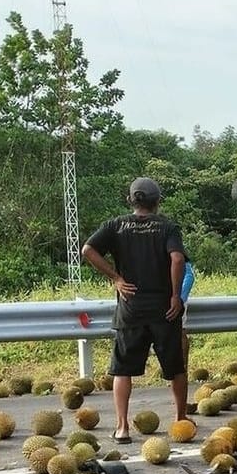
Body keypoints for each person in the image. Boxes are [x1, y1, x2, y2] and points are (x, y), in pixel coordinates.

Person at [81, 177, 188, 443]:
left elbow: (88, 250)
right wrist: (175, 295)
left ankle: (122, 427)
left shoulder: (116, 225)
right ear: (157, 201)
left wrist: (116, 278)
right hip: (164, 308)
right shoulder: (167, 226)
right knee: (175, 367)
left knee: (123, 369)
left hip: (131, 307)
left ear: (131, 200)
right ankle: (180, 420)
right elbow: (177, 259)